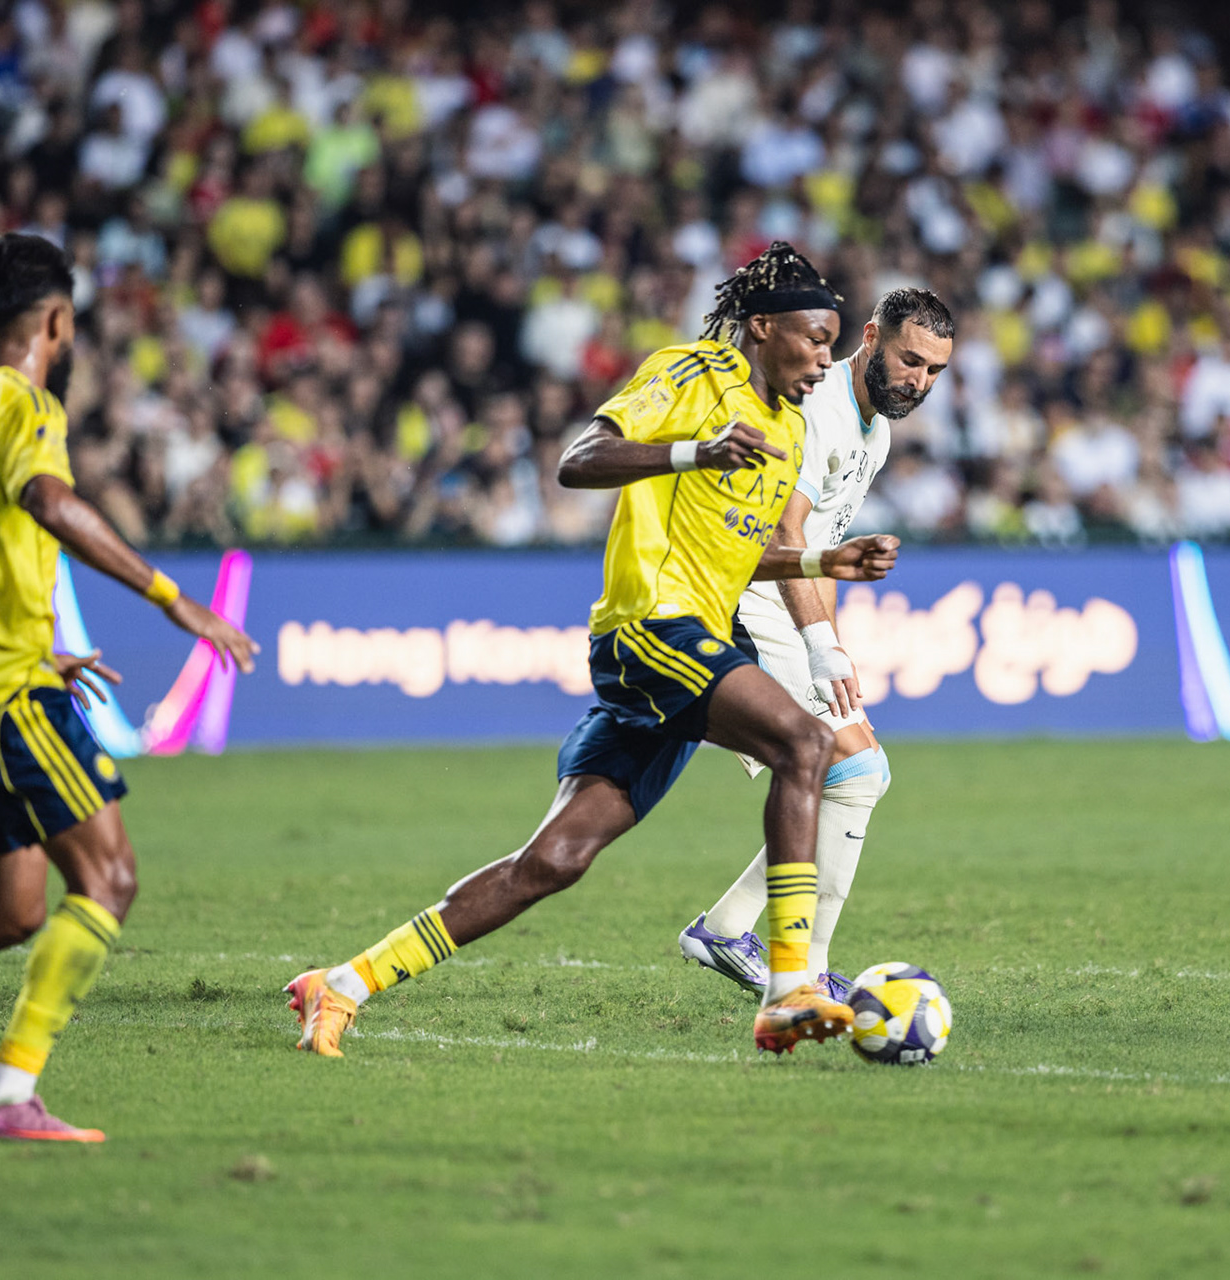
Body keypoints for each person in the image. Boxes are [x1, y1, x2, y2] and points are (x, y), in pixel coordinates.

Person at [286, 243, 902, 1057]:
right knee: (810, 744)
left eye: (831, 344)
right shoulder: (691, 375)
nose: (827, 360)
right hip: (651, 632)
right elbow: (580, 460)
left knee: (553, 861)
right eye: (814, 340)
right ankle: (790, 985)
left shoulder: (784, 430)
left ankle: (342, 984)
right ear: (762, 329)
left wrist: (826, 560)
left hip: (690, 645)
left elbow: (734, 552)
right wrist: (695, 450)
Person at [0, 233, 257, 1142]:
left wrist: (24, 638)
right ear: (57, 320)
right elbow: (52, 502)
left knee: (12, 910)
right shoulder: (24, 403)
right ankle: (3, 1099)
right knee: (108, 877)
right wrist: (171, 598)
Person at [678, 287, 954, 998]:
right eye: (909, 360)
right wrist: (818, 645)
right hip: (732, 602)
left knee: (853, 773)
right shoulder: (819, 409)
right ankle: (801, 969)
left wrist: (831, 644)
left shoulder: (878, 433)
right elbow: (783, 535)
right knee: (853, 771)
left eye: (932, 372)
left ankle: (729, 928)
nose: (917, 381)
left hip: (778, 603)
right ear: (870, 337)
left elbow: (821, 551)